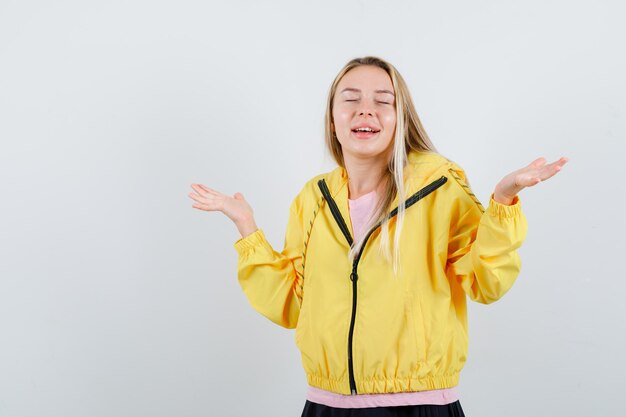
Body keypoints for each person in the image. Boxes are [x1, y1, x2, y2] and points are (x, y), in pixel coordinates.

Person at [188, 56, 568, 416]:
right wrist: (247, 228)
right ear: (333, 121)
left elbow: (487, 282)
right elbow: (291, 304)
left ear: (401, 118)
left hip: (421, 405)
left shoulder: (440, 189)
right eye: (350, 99)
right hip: (327, 405)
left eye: (382, 101)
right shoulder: (313, 200)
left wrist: (502, 201)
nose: (365, 110)